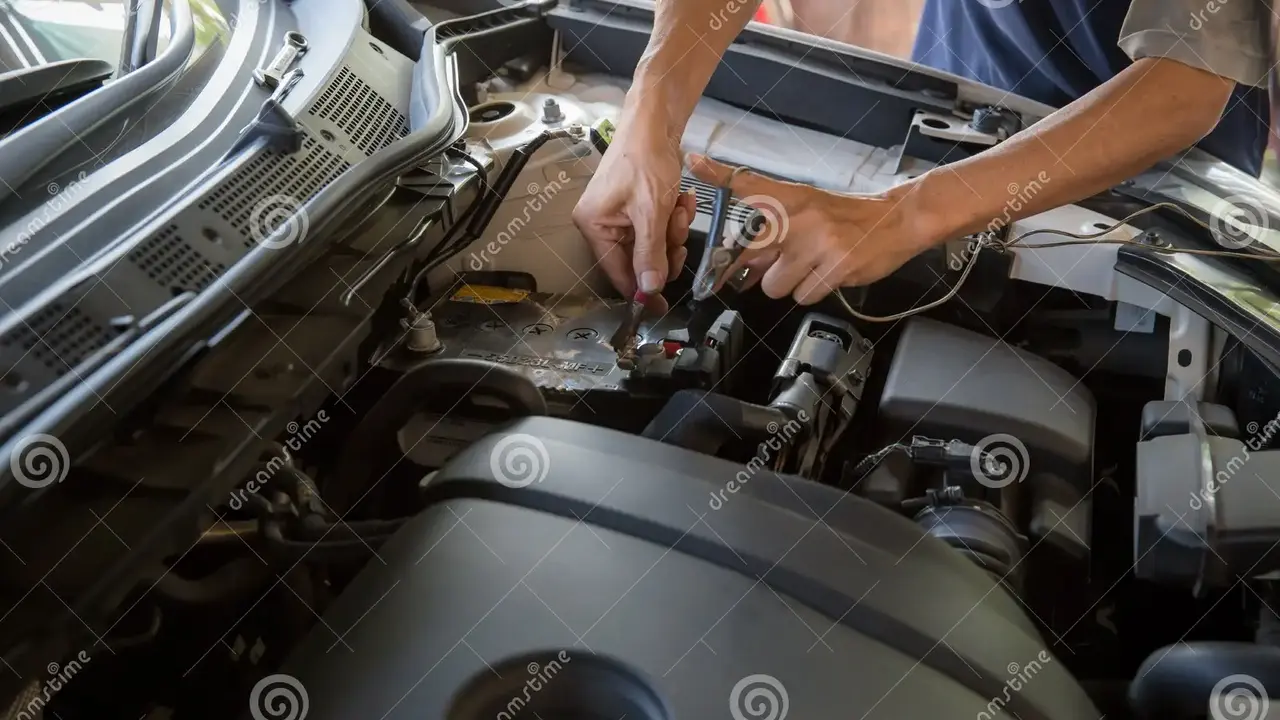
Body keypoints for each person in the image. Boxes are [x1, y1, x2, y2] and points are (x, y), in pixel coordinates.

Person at [571, 0, 1274, 307]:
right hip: (966, 96)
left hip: (1150, 177)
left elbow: (1183, 88)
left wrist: (906, 215)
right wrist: (646, 126)